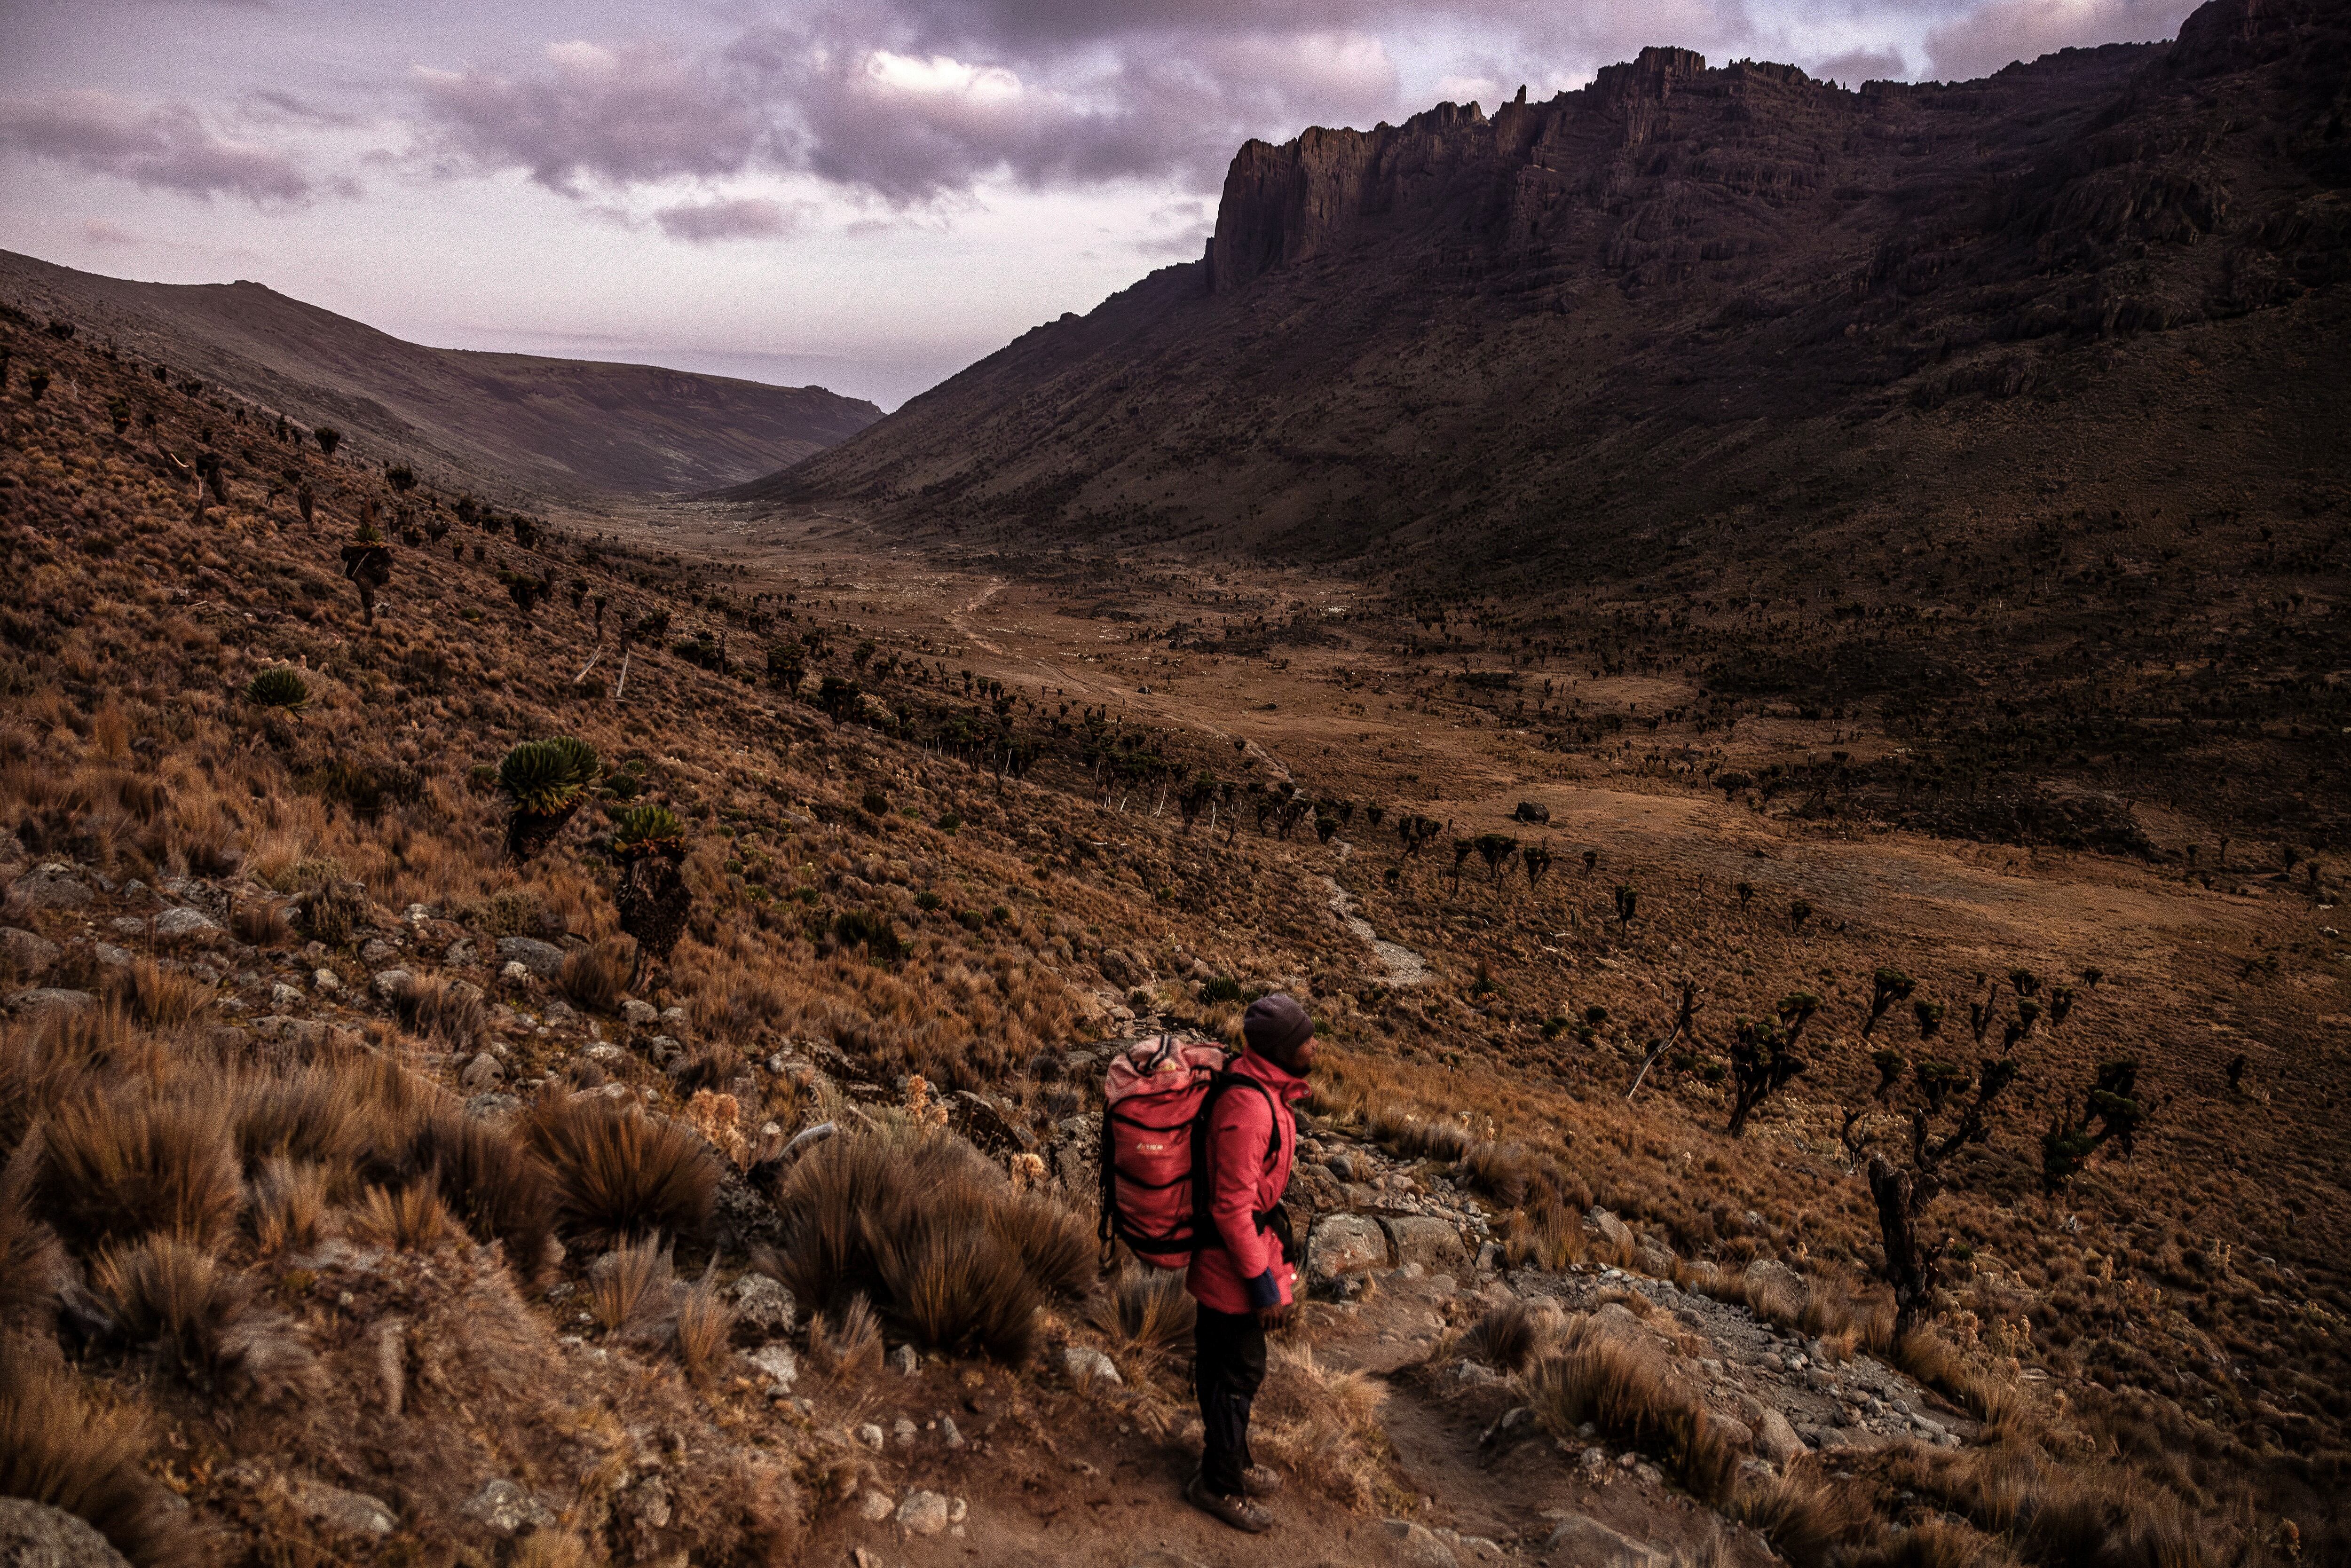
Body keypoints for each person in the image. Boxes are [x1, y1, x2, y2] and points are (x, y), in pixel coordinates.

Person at [1183, 992, 1317, 1532]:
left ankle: (1230, 1457)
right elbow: (1232, 1207)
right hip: (1230, 1267)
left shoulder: (1263, 1088)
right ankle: (1217, 1484)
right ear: (1283, 1049)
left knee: (1224, 1368)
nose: (1315, 1046)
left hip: (1232, 1257)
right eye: (1306, 1039)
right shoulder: (1248, 1107)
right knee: (1238, 1372)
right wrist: (1263, 1283)